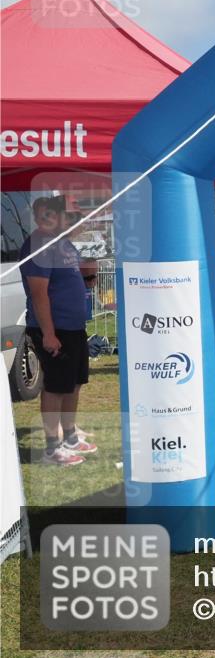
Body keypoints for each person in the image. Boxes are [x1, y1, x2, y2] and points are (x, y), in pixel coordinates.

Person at [19, 196, 98, 466]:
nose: (76, 220)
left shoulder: (63, 244)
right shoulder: (39, 244)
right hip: (55, 329)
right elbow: (40, 294)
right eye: (71, 215)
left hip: (74, 327)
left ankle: (70, 436)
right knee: (55, 387)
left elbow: (75, 281)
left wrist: (88, 275)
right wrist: (49, 334)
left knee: (73, 384)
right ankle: (53, 447)